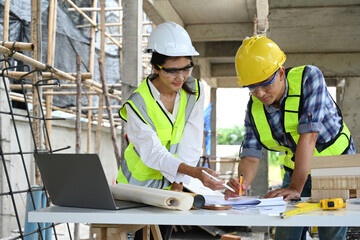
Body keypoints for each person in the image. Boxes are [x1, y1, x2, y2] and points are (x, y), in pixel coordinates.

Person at [225, 35, 355, 240]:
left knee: (330, 233)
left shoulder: (309, 78)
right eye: (252, 87)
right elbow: (250, 155)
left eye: (265, 84)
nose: (259, 93)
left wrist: (295, 188)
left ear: (280, 73)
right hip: (296, 169)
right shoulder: (254, 108)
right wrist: (242, 184)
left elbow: (309, 135)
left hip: (335, 167)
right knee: (286, 234)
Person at [117, 21, 226, 240]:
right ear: (156, 68)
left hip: (170, 185)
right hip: (136, 188)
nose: (180, 77)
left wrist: (179, 182)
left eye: (186, 68)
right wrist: (194, 173)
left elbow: (191, 142)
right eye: (172, 71)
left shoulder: (194, 91)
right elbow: (153, 153)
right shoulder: (137, 104)